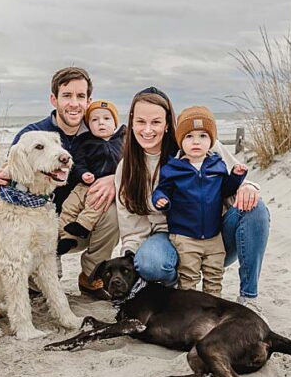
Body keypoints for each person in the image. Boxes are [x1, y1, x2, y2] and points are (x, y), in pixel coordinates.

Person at [114, 87, 270, 309]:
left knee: (256, 208)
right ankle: (178, 286)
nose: (147, 130)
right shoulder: (127, 168)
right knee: (149, 262)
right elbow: (131, 227)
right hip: (167, 239)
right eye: (140, 122)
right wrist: (132, 263)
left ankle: (248, 297)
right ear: (131, 123)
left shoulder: (197, 141)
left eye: (156, 122)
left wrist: (248, 187)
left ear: (168, 123)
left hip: (212, 235)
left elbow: (236, 175)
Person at [0, 66, 116, 300]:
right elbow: (9, 173)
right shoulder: (32, 135)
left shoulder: (98, 133)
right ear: (54, 99)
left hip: (80, 224)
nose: (74, 103)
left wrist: (115, 179)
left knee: (112, 212)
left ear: (88, 100)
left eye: (81, 96)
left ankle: (91, 276)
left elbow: (128, 162)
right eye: (67, 96)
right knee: (39, 288)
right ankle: (41, 269)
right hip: (38, 227)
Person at [152, 106, 247, 296]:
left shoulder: (216, 164)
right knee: (188, 277)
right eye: (189, 137)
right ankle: (188, 310)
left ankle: (212, 308)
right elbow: (162, 190)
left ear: (211, 140)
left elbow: (225, 190)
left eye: (203, 136)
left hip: (213, 235)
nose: (196, 141)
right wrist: (161, 199)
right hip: (185, 237)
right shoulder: (173, 168)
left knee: (214, 276)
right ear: (180, 141)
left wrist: (236, 178)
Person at [57, 100, 126, 256]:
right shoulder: (85, 142)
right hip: (84, 185)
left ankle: (83, 226)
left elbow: (130, 165)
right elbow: (77, 163)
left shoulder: (123, 141)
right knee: (69, 206)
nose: (101, 123)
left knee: (95, 205)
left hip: (106, 188)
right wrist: (83, 173)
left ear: (115, 123)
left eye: (107, 119)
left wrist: (117, 179)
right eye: (94, 120)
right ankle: (64, 237)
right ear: (88, 125)